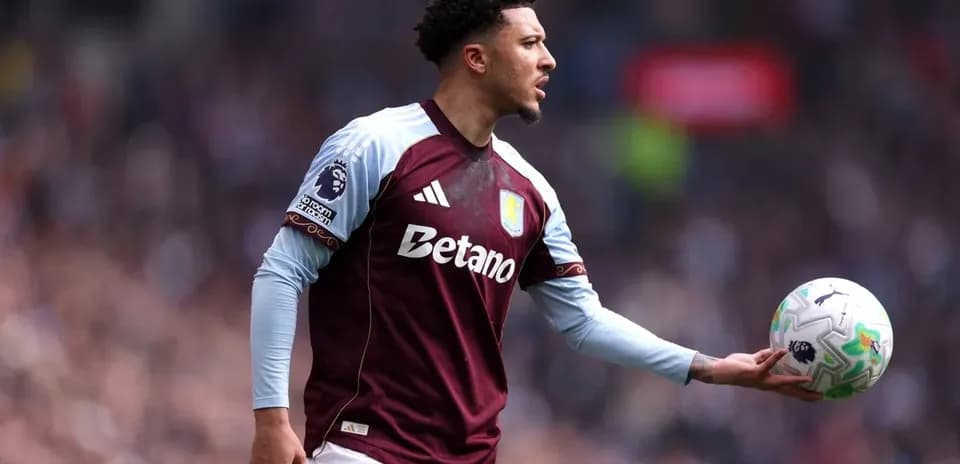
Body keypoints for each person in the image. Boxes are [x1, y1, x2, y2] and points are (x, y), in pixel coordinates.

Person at [249, 1, 820, 463]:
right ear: (476, 58)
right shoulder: (376, 144)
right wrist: (272, 419)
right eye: (530, 43)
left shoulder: (531, 191)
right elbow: (283, 269)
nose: (548, 60)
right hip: (364, 447)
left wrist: (709, 367)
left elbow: (582, 320)